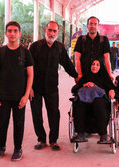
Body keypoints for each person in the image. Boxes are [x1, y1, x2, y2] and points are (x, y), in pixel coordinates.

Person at [29, 21, 78, 151]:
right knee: (36, 114)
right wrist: (29, 88)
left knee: (54, 114)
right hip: (36, 88)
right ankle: (41, 139)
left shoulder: (60, 48)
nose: (51, 33)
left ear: (57, 32)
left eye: (54, 31)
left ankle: (53, 140)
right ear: (45, 30)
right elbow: (28, 69)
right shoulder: (35, 47)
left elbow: (67, 65)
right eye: (49, 30)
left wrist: (78, 78)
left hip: (51, 88)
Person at [0, 21, 34, 161]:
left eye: (15, 31)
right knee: (2, 123)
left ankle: (18, 148)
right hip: (3, 95)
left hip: (19, 96)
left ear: (19, 34)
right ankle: (1, 146)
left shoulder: (25, 52)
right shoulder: (1, 51)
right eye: (9, 31)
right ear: (6, 33)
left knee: (18, 124)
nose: (12, 33)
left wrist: (26, 94)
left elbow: (30, 75)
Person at [71, 58, 115, 143]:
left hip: (100, 104)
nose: (95, 66)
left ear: (101, 67)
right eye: (93, 64)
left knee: (98, 102)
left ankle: (103, 135)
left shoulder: (105, 78)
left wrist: (111, 90)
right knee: (79, 102)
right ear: (90, 66)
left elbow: (113, 89)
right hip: (86, 105)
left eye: (97, 65)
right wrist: (84, 85)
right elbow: (74, 89)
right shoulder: (86, 77)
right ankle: (80, 134)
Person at [74, 16, 113, 81]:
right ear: (87, 26)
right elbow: (77, 58)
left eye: (95, 24)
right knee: (81, 91)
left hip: (100, 74)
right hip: (84, 74)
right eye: (91, 24)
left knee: (101, 91)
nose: (93, 26)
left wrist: (109, 74)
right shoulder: (81, 39)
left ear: (98, 26)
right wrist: (80, 74)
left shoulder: (104, 40)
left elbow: (107, 59)